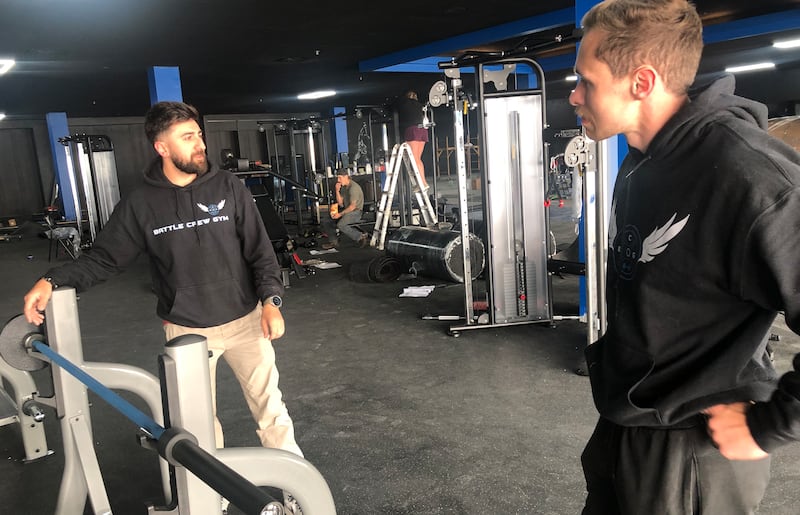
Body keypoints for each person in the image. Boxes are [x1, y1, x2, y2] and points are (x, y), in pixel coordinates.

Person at [569, 0, 800, 513]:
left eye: (586, 80)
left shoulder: (749, 174)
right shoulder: (640, 159)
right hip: (630, 424)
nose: (574, 94)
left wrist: (773, 424)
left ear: (642, 82)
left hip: (694, 450)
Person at [22, 101, 303, 459]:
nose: (199, 143)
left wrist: (271, 301)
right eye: (187, 137)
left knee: (272, 411)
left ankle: (296, 491)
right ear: (162, 147)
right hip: (187, 330)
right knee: (200, 426)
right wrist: (52, 279)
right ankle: (210, 500)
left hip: (246, 320)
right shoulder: (140, 204)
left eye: (198, 134)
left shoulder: (228, 186)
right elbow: (105, 260)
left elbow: (260, 252)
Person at [322, 168, 367, 248]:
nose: (338, 180)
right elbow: (340, 203)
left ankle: (360, 236)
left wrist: (340, 214)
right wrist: (337, 191)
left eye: (340, 178)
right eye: (338, 178)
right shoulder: (343, 187)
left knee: (341, 225)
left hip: (356, 212)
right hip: (347, 210)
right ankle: (334, 242)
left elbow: (352, 207)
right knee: (326, 220)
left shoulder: (353, 188)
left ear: (346, 176)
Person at [396, 90, 429, 189]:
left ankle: (422, 183)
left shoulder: (404, 104)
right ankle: (423, 182)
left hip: (412, 129)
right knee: (418, 159)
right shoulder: (419, 105)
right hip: (422, 130)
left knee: (414, 159)